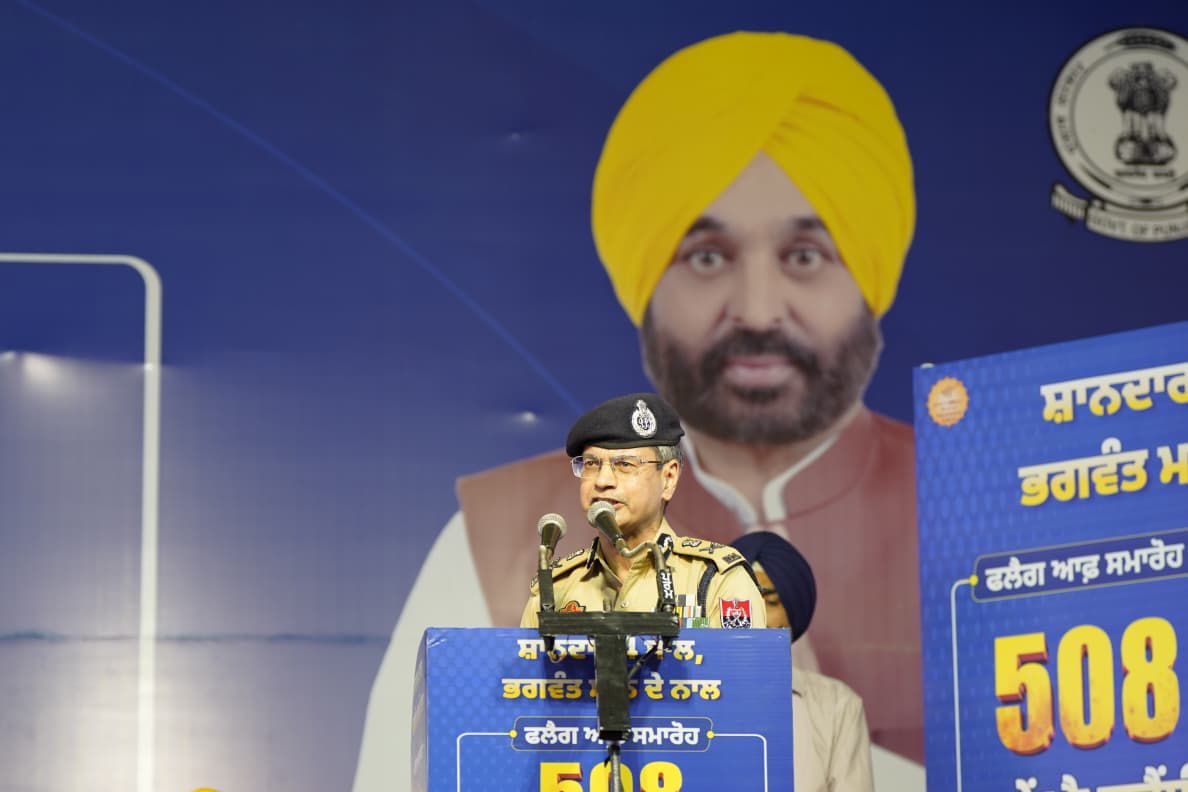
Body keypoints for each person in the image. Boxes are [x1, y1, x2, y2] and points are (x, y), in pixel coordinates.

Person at [354, 31, 922, 791]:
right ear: (648, 280)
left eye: (805, 256)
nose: (758, 309)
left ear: (868, 274)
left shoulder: (963, 516)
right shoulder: (499, 540)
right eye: (707, 257)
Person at [521, 393, 765, 628]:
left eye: (625, 464)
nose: (602, 481)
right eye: (591, 464)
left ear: (668, 478)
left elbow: (743, 658)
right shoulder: (554, 588)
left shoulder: (716, 580)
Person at [732, 531, 874, 792]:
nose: (753, 615)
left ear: (791, 613)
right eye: (741, 601)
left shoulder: (836, 705)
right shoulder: (684, 694)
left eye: (769, 601)